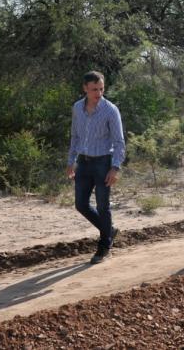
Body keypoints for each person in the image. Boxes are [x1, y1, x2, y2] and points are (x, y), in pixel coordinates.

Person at [66, 71, 126, 264]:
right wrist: (71, 162)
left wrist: (115, 168)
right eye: (94, 89)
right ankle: (108, 229)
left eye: (101, 89)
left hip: (103, 163)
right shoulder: (77, 108)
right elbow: (75, 136)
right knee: (81, 204)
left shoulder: (110, 110)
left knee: (102, 205)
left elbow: (119, 141)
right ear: (85, 88)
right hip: (83, 162)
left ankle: (104, 244)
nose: (98, 93)